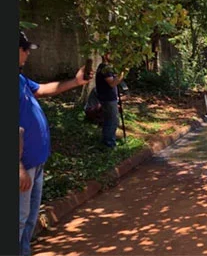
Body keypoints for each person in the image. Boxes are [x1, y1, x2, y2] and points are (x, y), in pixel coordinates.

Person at [19, 31, 91, 255]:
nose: (27, 54)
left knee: (29, 219)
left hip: (36, 163)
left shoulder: (20, 79)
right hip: (23, 166)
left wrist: (76, 82)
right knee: (19, 220)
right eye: (25, 50)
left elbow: (41, 89)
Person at [95, 52, 126, 148]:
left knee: (110, 120)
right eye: (110, 54)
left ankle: (107, 141)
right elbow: (112, 83)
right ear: (105, 55)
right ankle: (109, 144)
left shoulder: (107, 68)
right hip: (108, 99)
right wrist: (122, 73)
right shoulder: (105, 69)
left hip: (109, 98)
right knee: (113, 121)